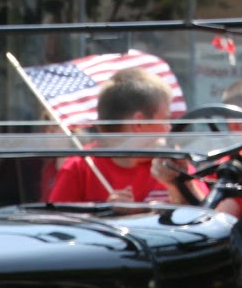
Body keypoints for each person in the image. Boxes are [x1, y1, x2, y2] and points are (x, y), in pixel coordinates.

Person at [50, 67, 191, 203]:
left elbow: (201, 210)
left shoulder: (172, 161)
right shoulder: (80, 167)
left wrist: (176, 184)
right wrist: (107, 211)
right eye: (166, 119)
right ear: (139, 123)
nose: (169, 128)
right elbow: (56, 217)